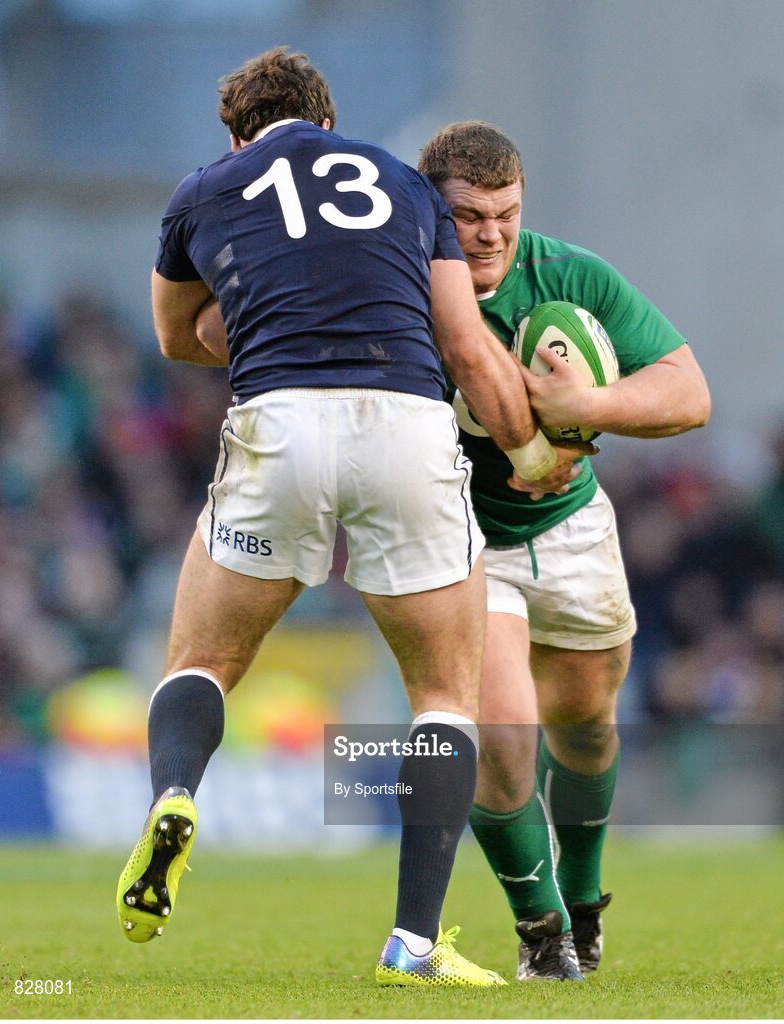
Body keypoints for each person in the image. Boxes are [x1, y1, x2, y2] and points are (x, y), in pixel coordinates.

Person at [115, 51, 573, 988]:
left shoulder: (206, 188)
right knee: (444, 694)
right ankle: (412, 944)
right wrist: (530, 452)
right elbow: (466, 349)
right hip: (404, 418)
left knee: (200, 659)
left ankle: (173, 797)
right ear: (328, 121)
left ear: (240, 134)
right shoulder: (405, 183)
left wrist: (269, 310)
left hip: (277, 415)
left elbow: (173, 335)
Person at [418, 122, 711, 982]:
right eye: (468, 215)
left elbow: (688, 393)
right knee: (505, 737)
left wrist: (589, 401)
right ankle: (542, 934)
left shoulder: (569, 275)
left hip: (574, 528)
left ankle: (583, 908)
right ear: (432, 208)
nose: (490, 234)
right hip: (464, 543)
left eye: (505, 214)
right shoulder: (404, 284)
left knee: (585, 733)